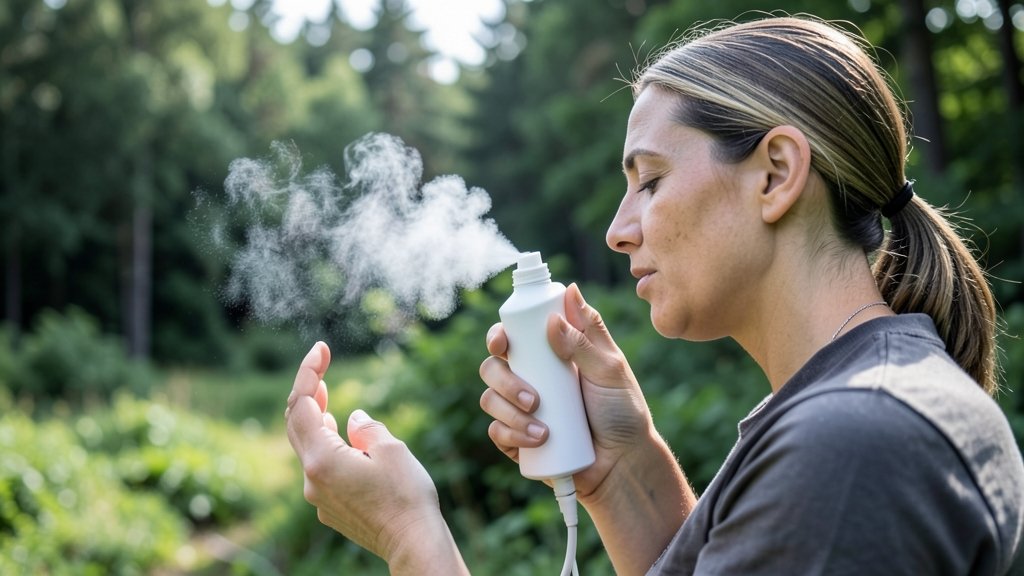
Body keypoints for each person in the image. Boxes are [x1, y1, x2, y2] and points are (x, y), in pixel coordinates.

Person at [285, 15, 1024, 575]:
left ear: (775, 174)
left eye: (651, 180)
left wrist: (412, 542)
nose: (617, 229)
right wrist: (622, 472)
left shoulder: (853, 446)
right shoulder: (852, 410)